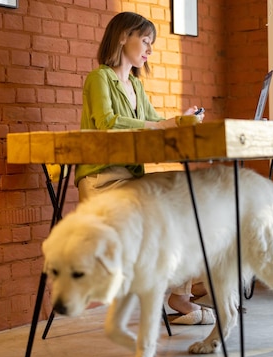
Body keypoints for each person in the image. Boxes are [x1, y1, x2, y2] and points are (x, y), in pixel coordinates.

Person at [76, 11, 214, 325]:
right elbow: (107, 123)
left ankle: (182, 290)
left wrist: (181, 120)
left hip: (130, 179)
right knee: (176, 199)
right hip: (102, 181)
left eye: (152, 43)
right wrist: (160, 124)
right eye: (146, 40)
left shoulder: (136, 87)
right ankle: (179, 289)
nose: (149, 49)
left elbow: (155, 123)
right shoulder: (100, 78)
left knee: (187, 189)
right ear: (123, 36)